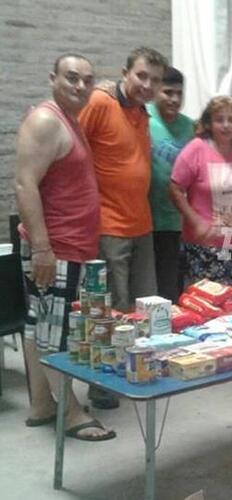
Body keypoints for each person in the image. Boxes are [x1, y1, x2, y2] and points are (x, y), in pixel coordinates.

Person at [14, 53, 115, 441]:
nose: (80, 86)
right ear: (52, 77)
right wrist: (42, 248)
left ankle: (42, 404)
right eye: (72, 78)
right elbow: (25, 184)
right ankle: (71, 413)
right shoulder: (45, 121)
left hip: (68, 245)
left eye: (88, 80)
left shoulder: (69, 120)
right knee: (57, 333)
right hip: (55, 248)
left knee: (39, 324)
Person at [79, 46, 167, 409]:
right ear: (125, 72)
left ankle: (139, 372)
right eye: (141, 76)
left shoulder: (142, 112)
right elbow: (71, 149)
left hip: (140, 223)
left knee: (143, 308)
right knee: (111, 309)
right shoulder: (99, 102)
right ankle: (103, 384)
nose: (147, 85)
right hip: (108, 223)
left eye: (155, 80)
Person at [170, 95, 232, 285]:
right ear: (209, 123)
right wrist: (196, 222)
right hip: (206, 247)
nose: (226, 125)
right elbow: (175, 189)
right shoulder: (196, 149)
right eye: (219, 120)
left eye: (231, 120)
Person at [147, 66, 194, 301]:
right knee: (146, 292)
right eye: (168, 92)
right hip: (144, 220)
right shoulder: (141, 117)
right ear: (155, 90)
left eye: (179, 93)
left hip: (177, 222)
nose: (174, 99)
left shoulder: (191, 127)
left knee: (172, 290)